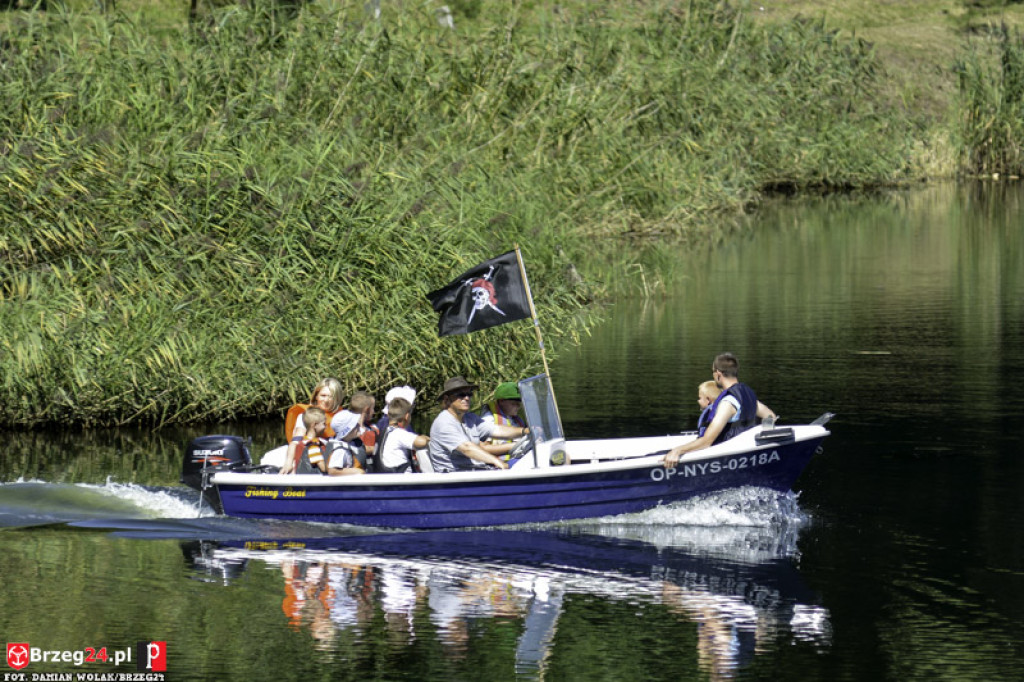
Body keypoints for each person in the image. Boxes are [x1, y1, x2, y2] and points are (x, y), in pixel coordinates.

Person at [664, 353, 776, 468]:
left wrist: (677, 451)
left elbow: (707, 441)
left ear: (718, 374)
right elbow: (770, 416)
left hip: (724, 455)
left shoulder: (727, 403)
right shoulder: (748, 396)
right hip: (741, 451)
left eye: (712, 372)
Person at [427, 376, 529, 473]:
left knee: (528, 463)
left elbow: (496, 430)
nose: (467, 398)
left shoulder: (469, 418)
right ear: (447, 399)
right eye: (461, 395)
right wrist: (497, 462)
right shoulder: (443, 423)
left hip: (476, 471)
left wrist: (525, 431)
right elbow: (467, 448)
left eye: (469, 394)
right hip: (456, 477)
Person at [377, 397, 430, 473]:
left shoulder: (385, 432)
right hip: (402, 479)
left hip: (389, 476)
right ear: (407, 416)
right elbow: (422, 442)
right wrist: (428, 438)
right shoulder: (398, 433)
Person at [478, 381, 528, 462]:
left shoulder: (515, 419)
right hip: (499, 467)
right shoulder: (489, 420)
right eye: (513, 404)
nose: (518, 407)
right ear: (501, 401)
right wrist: (514, 446)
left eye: (519, 403)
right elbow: (483, 448)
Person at [331, 391, 377, 467]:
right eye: (373, 409)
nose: (374, 412)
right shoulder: (351, 431)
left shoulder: (372, 428)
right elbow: (350, 446)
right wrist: (376, 449)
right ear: (367, 409)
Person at [281, 406, 330, 474]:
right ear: (314, 425)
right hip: (313, 481)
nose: (326, 427)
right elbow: (323, 468)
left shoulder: (302, 442)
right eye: (324, 424)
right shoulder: (313, 446)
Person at [327, 408, 367, 476]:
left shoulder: (351, 443)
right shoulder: (340, 450)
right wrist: (357, 472)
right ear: (347, 431)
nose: (359, 425)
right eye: (355, 425)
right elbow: (332, 471)